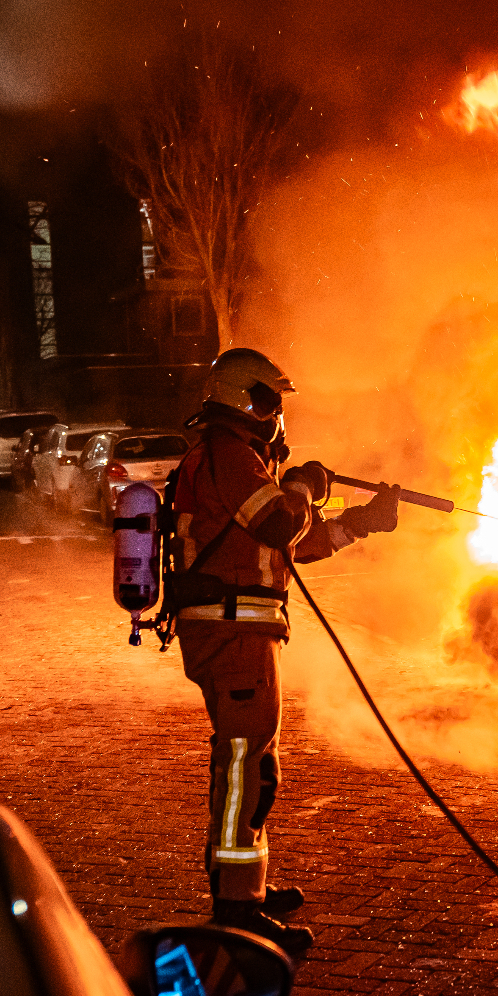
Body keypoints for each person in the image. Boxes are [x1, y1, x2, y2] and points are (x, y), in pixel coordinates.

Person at [164, 348, 400, 955]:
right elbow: (277, 523)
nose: (279, 418)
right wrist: (300, 485)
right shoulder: (228, 454)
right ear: (249, 399)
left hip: (238, 630)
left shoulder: (236, 459)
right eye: (274, 402)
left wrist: (363, 520)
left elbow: (297, 543)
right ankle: (238, 910)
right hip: (231, 630)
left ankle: (245, 885)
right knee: (247, 768)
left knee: (247, 764)